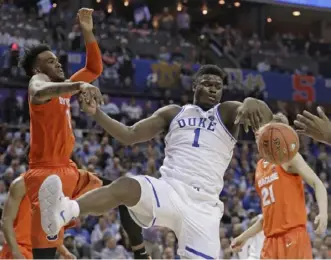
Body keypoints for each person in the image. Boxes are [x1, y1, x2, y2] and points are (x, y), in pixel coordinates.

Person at [39, 64, 274, 259]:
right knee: (126, 186)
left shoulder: (227, 111)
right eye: (207, 84)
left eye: (218, 86)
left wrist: (255, 101)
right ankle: (64, 211)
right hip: (170, 189)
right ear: (194, 86)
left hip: (204, 206)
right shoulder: (173, 113)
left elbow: (266, 120)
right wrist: (96, 113)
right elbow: (129, 135)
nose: (213, 90)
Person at [19, 7, 104, 259]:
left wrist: (88, 32)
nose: (57, 62)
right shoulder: (39, 83)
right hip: (46, 173)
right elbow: (37, 92)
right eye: (49, 60)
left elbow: (94, 68)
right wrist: (78, 84)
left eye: (57, 59)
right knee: (43, 253)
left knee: (120, 192)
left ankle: (140, 251)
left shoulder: (62, 90)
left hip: (67, 170)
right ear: (38, 69)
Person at [231, 113, 328, 259]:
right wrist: (244, 237)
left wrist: (323, 213)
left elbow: (317, 183)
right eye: (257, 130)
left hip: (293, 236)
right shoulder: (259, 168)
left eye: (262, 129)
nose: (257, 132)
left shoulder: (289, 158)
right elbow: (268, 217)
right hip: (270, 241)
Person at [0, 169, 102, 259]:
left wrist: (65, 252)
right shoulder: (20, 184)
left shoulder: (52, 189)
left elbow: (48, 229)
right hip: (18, 249)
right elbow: (6, 221)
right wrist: (15, 252)